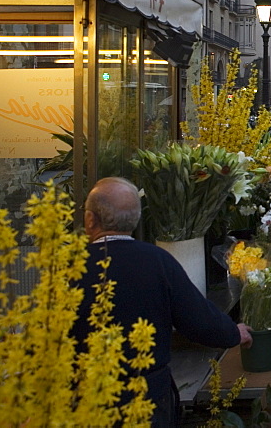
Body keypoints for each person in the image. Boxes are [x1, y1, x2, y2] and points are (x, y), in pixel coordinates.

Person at [71, 178, 252, 427]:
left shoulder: (68, 268)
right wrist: (234, 333)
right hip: (148, 400)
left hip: (86, 402)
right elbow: (198, 320)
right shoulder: (157, 261)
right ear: (135, 221)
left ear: (89, 219)